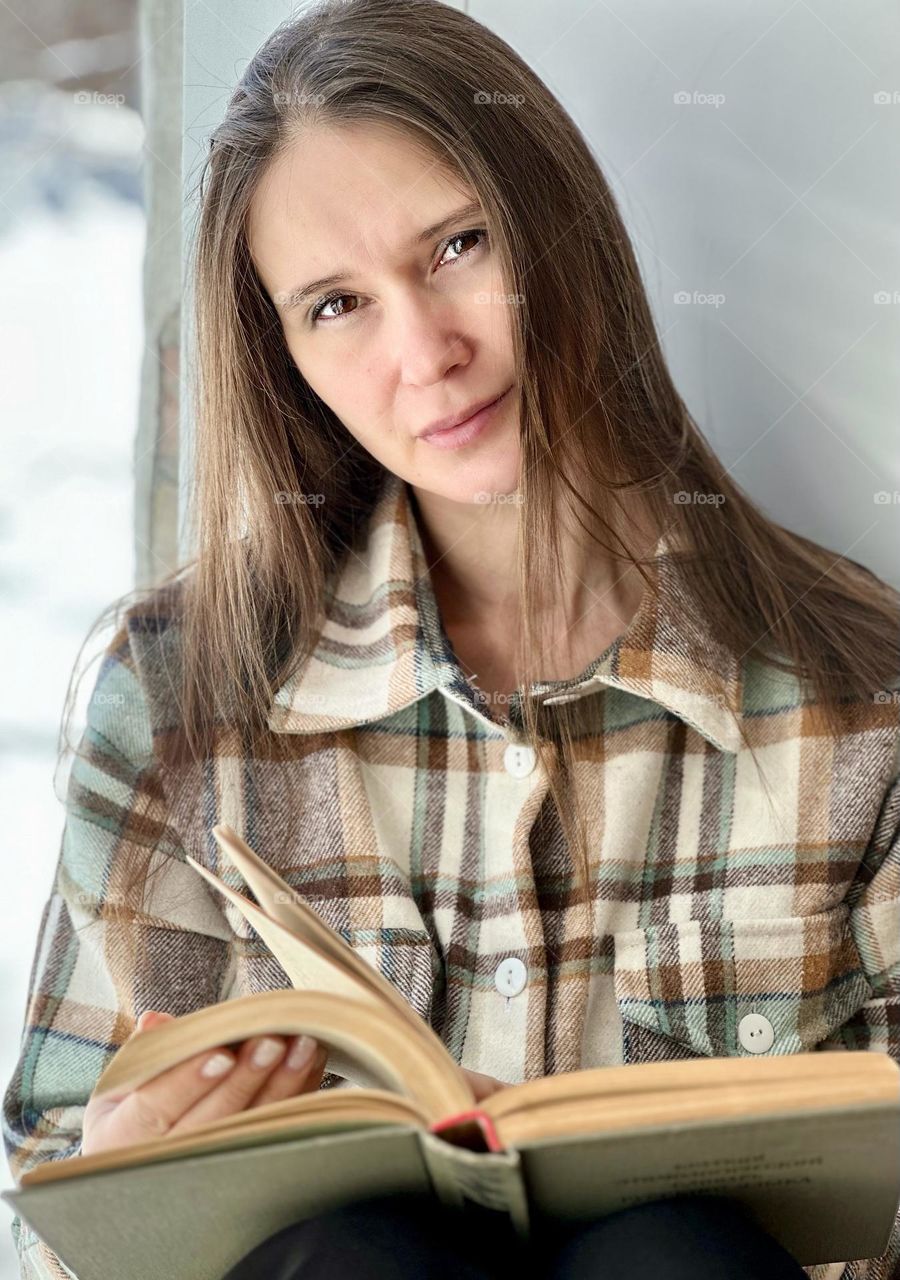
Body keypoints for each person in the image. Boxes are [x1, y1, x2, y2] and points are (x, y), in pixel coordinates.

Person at [4, 1, 899, 1277]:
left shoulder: (863, 698)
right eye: (335, 305)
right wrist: (121, 1186)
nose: (427, 352)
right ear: (284, 360)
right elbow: (46, 1204)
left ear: (561, 226)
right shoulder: (175, 699)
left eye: (459, 245)